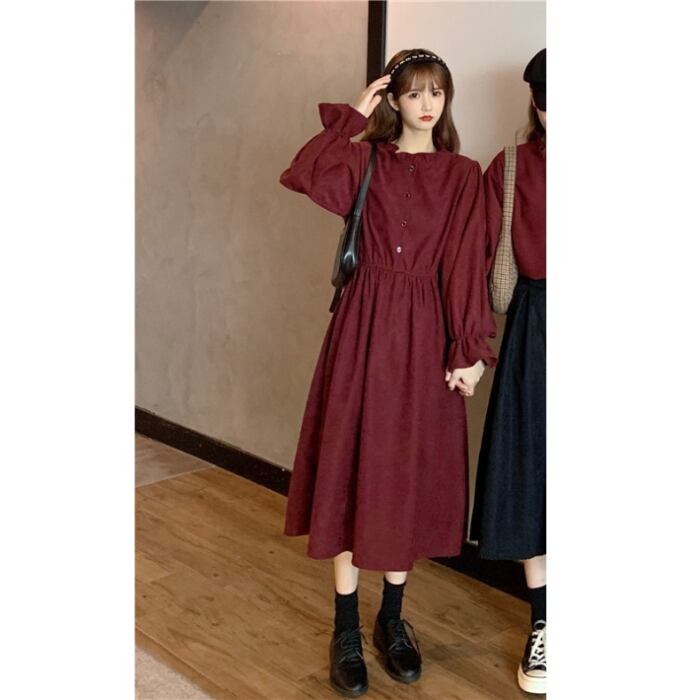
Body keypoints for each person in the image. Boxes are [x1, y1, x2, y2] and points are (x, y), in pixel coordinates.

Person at [279, 49, 496, 697]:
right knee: (352, 466)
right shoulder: (364, 161)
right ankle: (345, 626)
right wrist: (355, 113)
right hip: (363, 328)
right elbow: (304, 172)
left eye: (437, 92)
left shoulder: (463, 175)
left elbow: (466, 264)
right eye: (413, 93)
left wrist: (468, 349)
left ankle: (391, 620)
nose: (427, 104)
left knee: (404, 474)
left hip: (426, 335)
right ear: (394, 100)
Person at [470, 48, 547, 695]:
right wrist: (470, 347)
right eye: (548, 100)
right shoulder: (512, 166)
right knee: (531, 470)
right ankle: (544, 622)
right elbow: (474, 262)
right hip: (537, 323)